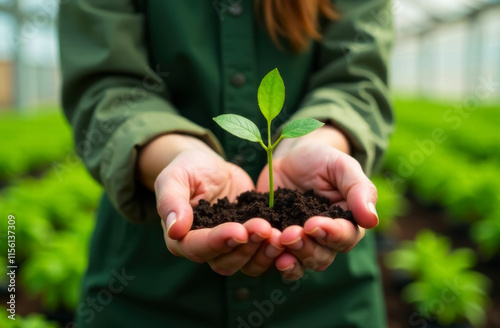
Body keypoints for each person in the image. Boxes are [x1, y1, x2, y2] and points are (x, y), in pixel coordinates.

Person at [59, 0, 393, 327]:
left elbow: (356, 79)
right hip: (148, 293)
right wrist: (173, 155)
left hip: (326, 305)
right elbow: (105, 84)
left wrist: (320, 142)